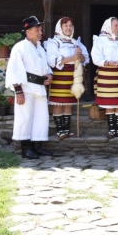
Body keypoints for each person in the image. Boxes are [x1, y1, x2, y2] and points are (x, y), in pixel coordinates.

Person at [6, 16, 53, 159]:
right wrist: (18, 91)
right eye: (37, 30)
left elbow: (45, 67)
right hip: (26, 89)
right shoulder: (19, 47)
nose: (40, 32)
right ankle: (25, 149)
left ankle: (37, 147)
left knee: (40, 118)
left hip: (39, 88)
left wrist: (49, 75)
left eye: (40, 29)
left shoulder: (40, 48)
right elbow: (14, 70)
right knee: (25, 118)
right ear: (28, 32)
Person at [44, 17, 89, 140]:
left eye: (70, 26)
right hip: (60, 76)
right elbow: (52, 61)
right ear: (60, 28)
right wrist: (73, 58)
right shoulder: (54, 42)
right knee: (58, 103)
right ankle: (60, 131)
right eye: (65, 26)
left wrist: (80, 56)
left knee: (68, 103)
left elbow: (85, 59)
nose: (68, 28)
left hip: (73, 77)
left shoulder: (76, 43)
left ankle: (66, 130)